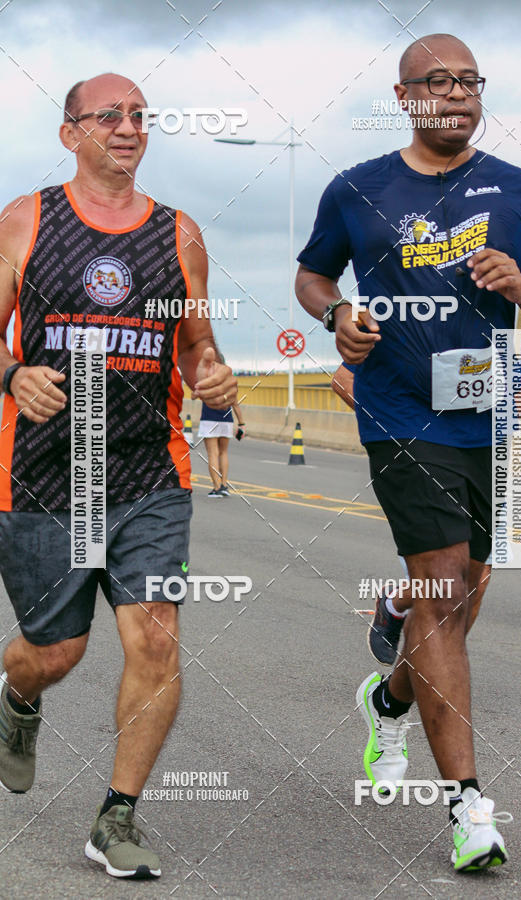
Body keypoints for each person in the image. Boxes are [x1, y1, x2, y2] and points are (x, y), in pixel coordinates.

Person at [297, 33, 521, 872]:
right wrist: (337, 314)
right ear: (404, 95)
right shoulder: (358, 189)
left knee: (461, 600)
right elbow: (313, 275)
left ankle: (387, 701)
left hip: (493, 417)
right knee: (443, 587)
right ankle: (468, 810)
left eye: (469, 81)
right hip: (399, 413)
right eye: (438, 81)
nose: (457, 94)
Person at [0, 73, 236, 879]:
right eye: (110, 116)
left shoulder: (179, 234)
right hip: (45, 475)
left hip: (147, 473)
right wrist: (13, 375)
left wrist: (213, 374)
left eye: (140, 115)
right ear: (71, 134)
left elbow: (197, 346)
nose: (129, 127)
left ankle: (116, 816)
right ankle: (17, 696)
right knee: (55, 652)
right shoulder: (27, 219)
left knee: (155, 636)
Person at [334, 335, 521, 667]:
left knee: (475, 583)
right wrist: (394, 426)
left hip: (493, 468)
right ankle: (418, 651)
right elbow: (342, 378)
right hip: (430, 461)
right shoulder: (419, 321)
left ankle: (428, 663)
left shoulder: (506, 341)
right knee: (442, 582)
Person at [197, 388, 245, 497]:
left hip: (209, 419)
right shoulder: (229, 383)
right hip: (226, 421)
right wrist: (241, 423)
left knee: (213, 453)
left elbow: (196, 395)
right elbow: (235, 404)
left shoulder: (206, 381)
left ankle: (217, 488)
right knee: (223, 452)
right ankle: (224, 485)